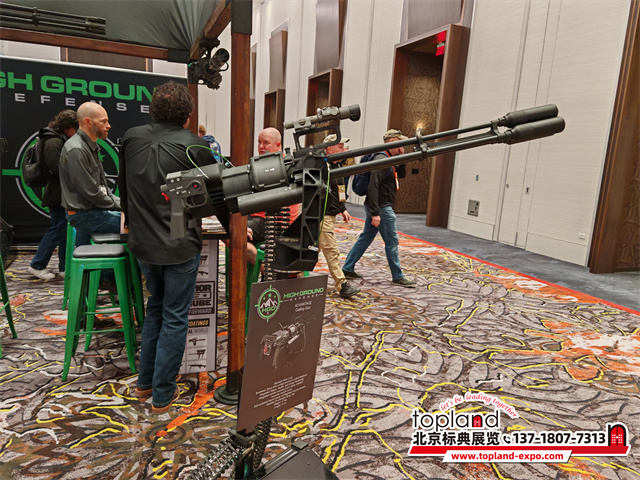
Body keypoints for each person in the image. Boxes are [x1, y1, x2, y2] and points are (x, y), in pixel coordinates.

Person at [119, 81, 218, 415]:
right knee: (174, 317)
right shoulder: (195, 145)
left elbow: (123, 189)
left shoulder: (130, 137)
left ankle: (145, 384)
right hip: (178, 241)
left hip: (143, 241)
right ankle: (162, 394)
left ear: (152, 110)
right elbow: (211, 198)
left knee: (156, 310)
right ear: (187, 116)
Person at [342, 129, 417, 288]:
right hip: (381, 207)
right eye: (400, 142)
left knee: (366, 238)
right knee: (392, 241)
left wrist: (402, 156)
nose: (402, 146)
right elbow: (373, 186)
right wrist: (375, 213)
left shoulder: (389, 158)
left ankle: (347, 268)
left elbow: (402, 174)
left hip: (377, 205)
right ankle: (398, 276)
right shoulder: (382, 159)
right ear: (392, 142)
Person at [59, 102, 120, 247]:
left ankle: (93, 261)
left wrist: (123, 203)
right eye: (103, 121)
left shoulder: (88, 146)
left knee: (132, 217)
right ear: (88, 122)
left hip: (91, 211)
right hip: (85, 215)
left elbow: (101, 190)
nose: (108, 125)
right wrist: (124, 205)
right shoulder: (77, 149)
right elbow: (92, 193)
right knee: (139, 224)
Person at [28, 110, 78, 281]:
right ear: (67, 127)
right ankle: (37, 264)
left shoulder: (57, 139)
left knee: (64, 230)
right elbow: (57, 168)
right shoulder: (53, 142)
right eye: (76, 129)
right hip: (57, 194)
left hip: (61, 192)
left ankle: (65, 266)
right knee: (57, 228)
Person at [320, 134, 359, 298]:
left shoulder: (337, 168)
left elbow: (338, 192)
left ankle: (295, 278)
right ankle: (342, 285)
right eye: (341, 147)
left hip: (329, 216)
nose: (345, 150)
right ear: (330, 149)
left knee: (311, 251)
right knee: (332, 251)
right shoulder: (322, 168)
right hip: (322, 216)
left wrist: (342, 208)